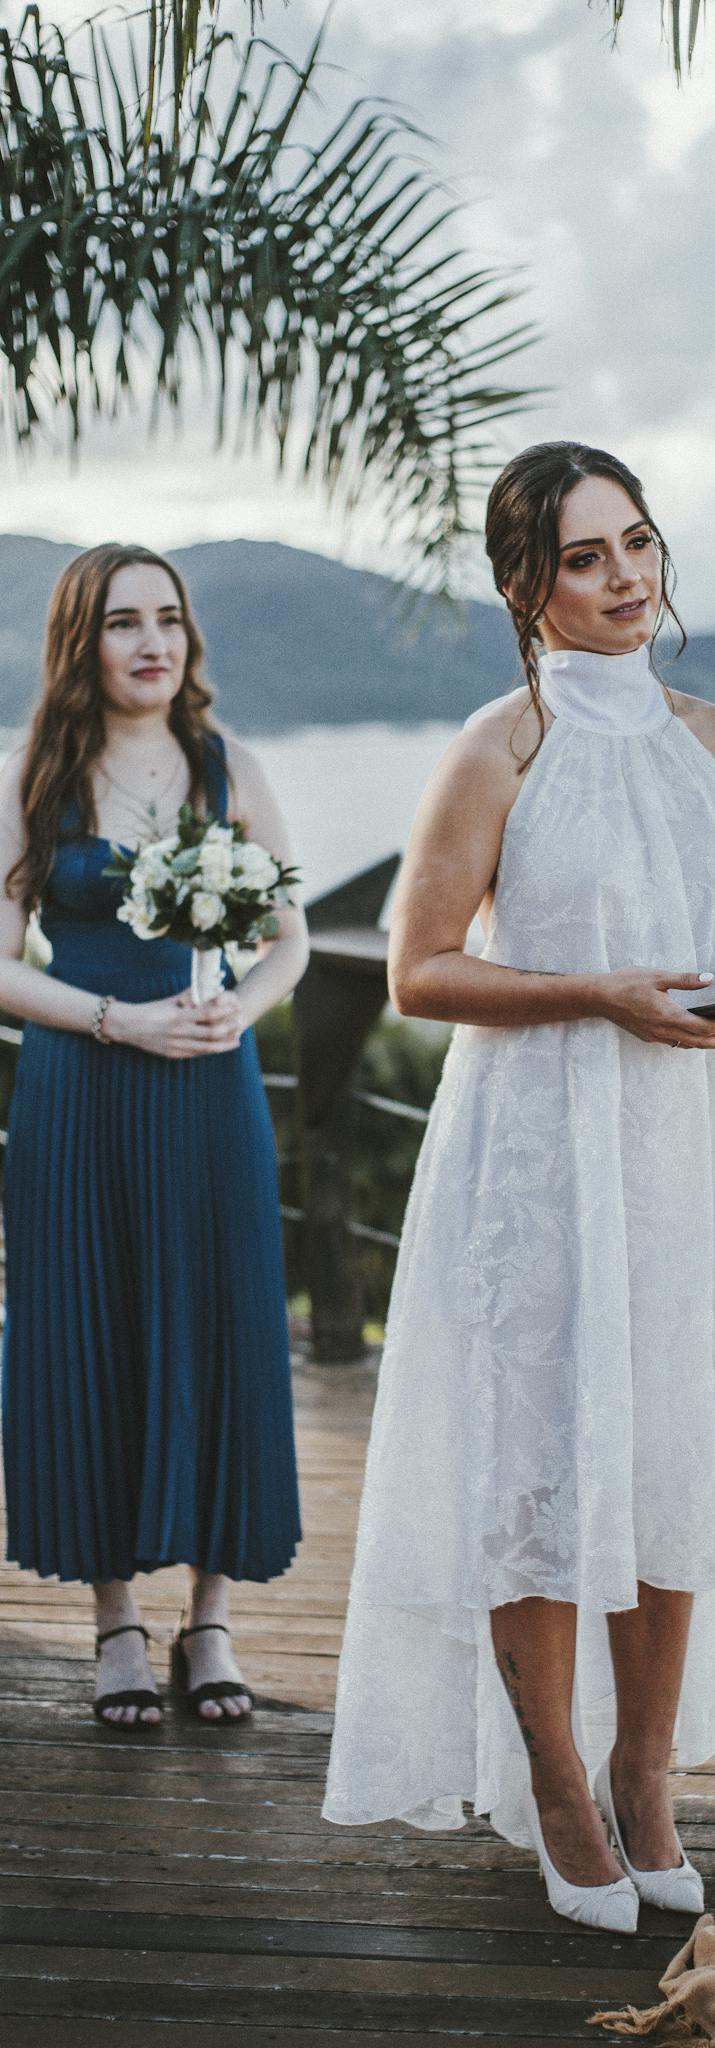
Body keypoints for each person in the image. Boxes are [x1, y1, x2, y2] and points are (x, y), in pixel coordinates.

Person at [323, 441, 715, 1933]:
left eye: (637, 545)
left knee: (669, 1453)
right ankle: (553, 1785)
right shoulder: (498, 747)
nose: (624, 580)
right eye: (584, 558)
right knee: (531, 1470)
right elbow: (419, 970)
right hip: (536, 1152)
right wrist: (600, 992)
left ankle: (646, 1776)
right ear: (524, 588)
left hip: (680, 1149)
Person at [0, 543, 308, 1727]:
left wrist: (243, 1002)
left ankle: (211, 1617)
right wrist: (113, 1018)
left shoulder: (228, 767)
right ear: (82, 643)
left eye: (168, 618)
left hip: (206, 1085)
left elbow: (286, 937)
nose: (151, 642)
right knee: (93, 1323)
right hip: (79, 1083)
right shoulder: (34, 771)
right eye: (123, 621)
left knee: (221, 1319)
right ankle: (117, 1618)